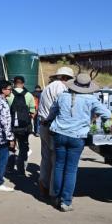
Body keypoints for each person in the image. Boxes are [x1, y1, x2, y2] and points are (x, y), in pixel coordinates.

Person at [47, 73, 111, 212]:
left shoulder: (62, 96)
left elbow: (52, 112)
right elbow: (107, 114)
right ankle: (66, 201)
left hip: (59, 134)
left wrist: (48, 120)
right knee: (71, 170)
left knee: (58, 166)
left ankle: (56, 197)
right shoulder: (91, 99)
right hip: (77, 137)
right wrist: (104, 121)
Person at [37, 67, 74, 197]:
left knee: (46, 157)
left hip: (43, 124)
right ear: (66, 78)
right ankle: (54, 191)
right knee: (56, 160)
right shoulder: (61, 88)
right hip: (52, 126)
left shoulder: (48, 87)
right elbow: (61, 108)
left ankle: (43, 184)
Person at [7, 76, 36, 176]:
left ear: (14, 83)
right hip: (24, 127)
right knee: (23, 148)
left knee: (11, 147)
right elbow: (32, 113)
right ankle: (21, 170)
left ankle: (9, 168)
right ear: (23, 84)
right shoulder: (29, 95)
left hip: (11, 126)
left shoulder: (9, 94)